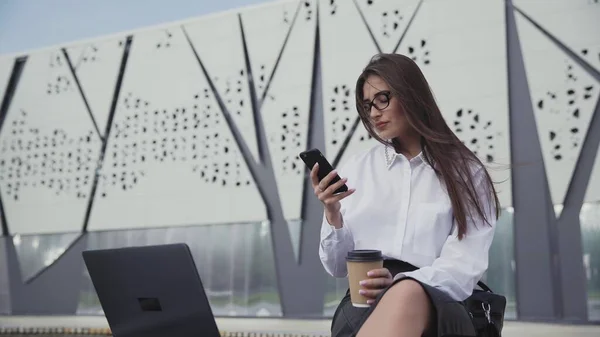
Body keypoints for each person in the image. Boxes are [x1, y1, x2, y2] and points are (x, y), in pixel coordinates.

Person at [311, 53, 500, 337]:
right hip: (362, 307)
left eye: (383, 99)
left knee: (408, 293)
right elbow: (338, 267)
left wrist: (401, 283)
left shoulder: (466, 172)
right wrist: (332, 214)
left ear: (411, 95)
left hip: (442, 308)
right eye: (367, 105)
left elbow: (464, 264)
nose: (374, 112)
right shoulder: (357, 169)